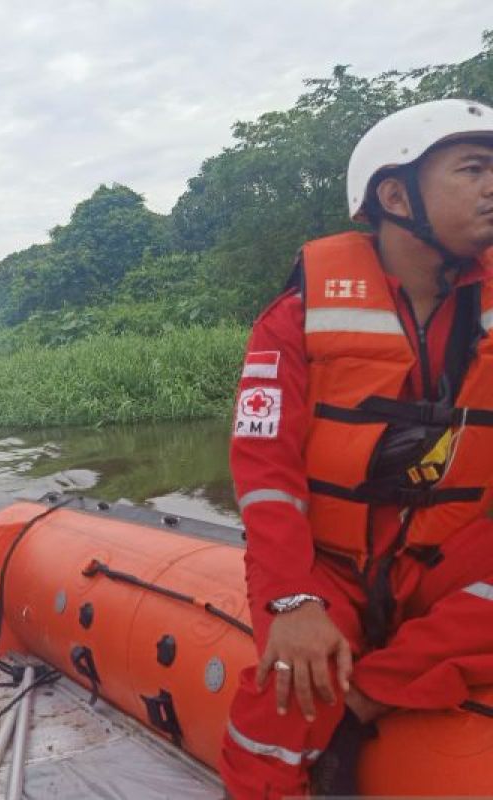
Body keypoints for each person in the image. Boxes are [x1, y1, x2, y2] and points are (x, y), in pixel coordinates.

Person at [220, 98, 493, 798]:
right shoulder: (298, 314)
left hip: (441, 555)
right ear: (396, 195)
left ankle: (365, 700)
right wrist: (291, 601)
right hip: (327, 562)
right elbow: (263, 469)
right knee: (289, 687)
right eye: (473, 168)